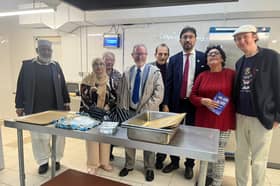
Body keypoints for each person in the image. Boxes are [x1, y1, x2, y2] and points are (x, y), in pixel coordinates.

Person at [232, 25, 280, 186]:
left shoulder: (271, 57)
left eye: (245, 36)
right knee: (241, 156)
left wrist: (278, 116)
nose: (241, 41)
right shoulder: (240, 62)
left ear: (254, 36)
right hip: (241, 116)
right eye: (238, 39)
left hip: (262, 117)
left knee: (259, 160)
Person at [15, 39, 70, 174]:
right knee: (38, 137)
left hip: (55, 109)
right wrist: (19, 105)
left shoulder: (55, 65)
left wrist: (66, 101)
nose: (46, 52)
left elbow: (63, 84)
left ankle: (56, 159)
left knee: (58, 136)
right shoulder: (27, 66)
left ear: (51, 51)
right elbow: (20, 85)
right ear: (37, 51)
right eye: (43, 49)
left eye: (49, 50)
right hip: (35, 109)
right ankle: (43, 161)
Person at [162, 26, 208, 179]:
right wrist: (166, 103)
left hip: (194, 104)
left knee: (192, 135)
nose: (188, 39)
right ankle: (174, 162)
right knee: (175, 134)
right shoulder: (174, 59)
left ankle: (189, 165)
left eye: (191, 37)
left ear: (195, 39)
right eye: (185, 37)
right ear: (180, 40)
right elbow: (168, 84)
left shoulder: (203, 58)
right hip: (176, 103)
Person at [190, 45, 236, 186]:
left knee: (219, 153)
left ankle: (217, 181)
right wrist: (202, 100)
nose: (212, 56)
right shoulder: (202, 76)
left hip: (223, 120)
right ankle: (206, 177)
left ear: (222, 58)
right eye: (209, 54)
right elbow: (192, 96)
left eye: (216, 53)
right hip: (204, 120)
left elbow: (238, 96)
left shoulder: (231, 74)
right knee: (205, 152)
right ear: (207, 60)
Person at [118, 44, 164, 182]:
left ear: (147, 55)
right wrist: (123, 108)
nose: (140, 56)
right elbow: (122, 92)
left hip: (148, 114)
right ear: (132, 56)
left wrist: (144, 111)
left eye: (143, 54)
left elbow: (158, 94)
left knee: (148, 141)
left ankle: (149, 167)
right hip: (130, 112)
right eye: (137, 54)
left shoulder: (155, 72)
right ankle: (129, 165)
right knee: (129, 140)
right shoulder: (127, 72)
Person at [80, 58, 117, 175]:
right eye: (95, 64)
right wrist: (94, 110)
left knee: (105, 139)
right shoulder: (86, 80)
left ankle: (104, 162)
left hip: (106, 115)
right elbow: (84, 98)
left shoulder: (110, 81)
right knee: (92, 140)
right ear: (92, 67)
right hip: (90, 115)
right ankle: (93, 164)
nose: (99, 67)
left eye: (101, 64)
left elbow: (114, 97)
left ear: (105, 66)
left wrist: (107, 108)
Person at [149, 43, 170, 170]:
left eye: (165, 54)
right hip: (151, 106)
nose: (162, 56)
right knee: (152, 135)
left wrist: (166, 104)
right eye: (160, 54)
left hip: (166, 107)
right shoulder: (149, 68)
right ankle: (150, 159)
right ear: (155, 54)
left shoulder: (171, 67)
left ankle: (160, 159)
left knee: (164, 134)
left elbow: (170, 88)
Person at [102, 51, 122, 161]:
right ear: (102, 60)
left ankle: (109, 153)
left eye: (111, 60)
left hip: (113, 109)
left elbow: (120, 93)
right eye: (107, 59)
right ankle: (100, 154)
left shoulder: (118, 75)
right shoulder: (97, 73)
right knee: (99, 133)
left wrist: (110, 105)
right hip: (99, 109)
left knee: (111, 132)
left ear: (114, 61)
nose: (109, 62)